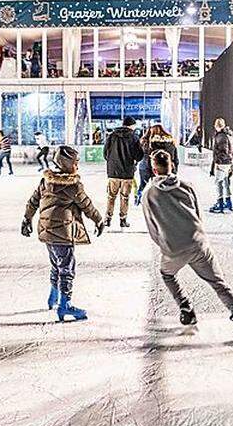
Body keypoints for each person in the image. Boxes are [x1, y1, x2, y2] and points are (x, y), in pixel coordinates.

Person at [142, 149, 233, 339]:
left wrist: (165, 245)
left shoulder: (149, 194)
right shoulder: (185, 185)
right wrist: (197, 236)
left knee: (167, 274)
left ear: (154, 169)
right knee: (218, 283)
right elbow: (198, 214)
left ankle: (186, 308)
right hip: (198, 243)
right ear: (171, 165)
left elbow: (152, 228)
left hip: (173, 249)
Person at [21, 145, 104, 321]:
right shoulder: (73, 186)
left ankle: (53, 296)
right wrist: (98, 220)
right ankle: (64, 305)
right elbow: (86, 205)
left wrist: (27, 219)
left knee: (55, 264)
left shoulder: (46, 180)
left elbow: (33, 201)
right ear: (66, 163)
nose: (77, 166)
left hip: (46, 231)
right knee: (66, 268)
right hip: (63, 233)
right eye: (75, 163)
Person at [103, 117, 143, 227]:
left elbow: (105, 153)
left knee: (111, 196)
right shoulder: (134, 137)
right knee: (124, 197)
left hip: (113, 172)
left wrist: (112, 162)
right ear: (131, 125)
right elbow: (139, 155)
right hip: (127, 173)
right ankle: (123, 219)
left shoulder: (111, 136)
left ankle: (107, 218)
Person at [136, 123, 177, 204]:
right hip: (166, 167)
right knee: (164, 184)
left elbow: (139, 155)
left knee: (143, 185)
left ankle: (139, 199)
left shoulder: (145, 141)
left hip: (146, 166)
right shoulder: (170, 142)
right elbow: (175, 158)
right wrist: (174, 169)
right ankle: (165, 201)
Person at [209, 118, 233, 213]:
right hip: (228, 162)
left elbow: (223, 150)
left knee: (219, 182)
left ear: (217, 126)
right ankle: (228, 202)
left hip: (222, 163)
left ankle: (220, 203)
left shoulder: (221, 136)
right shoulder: (228, 135)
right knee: (226, 181)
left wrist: (218, 161)